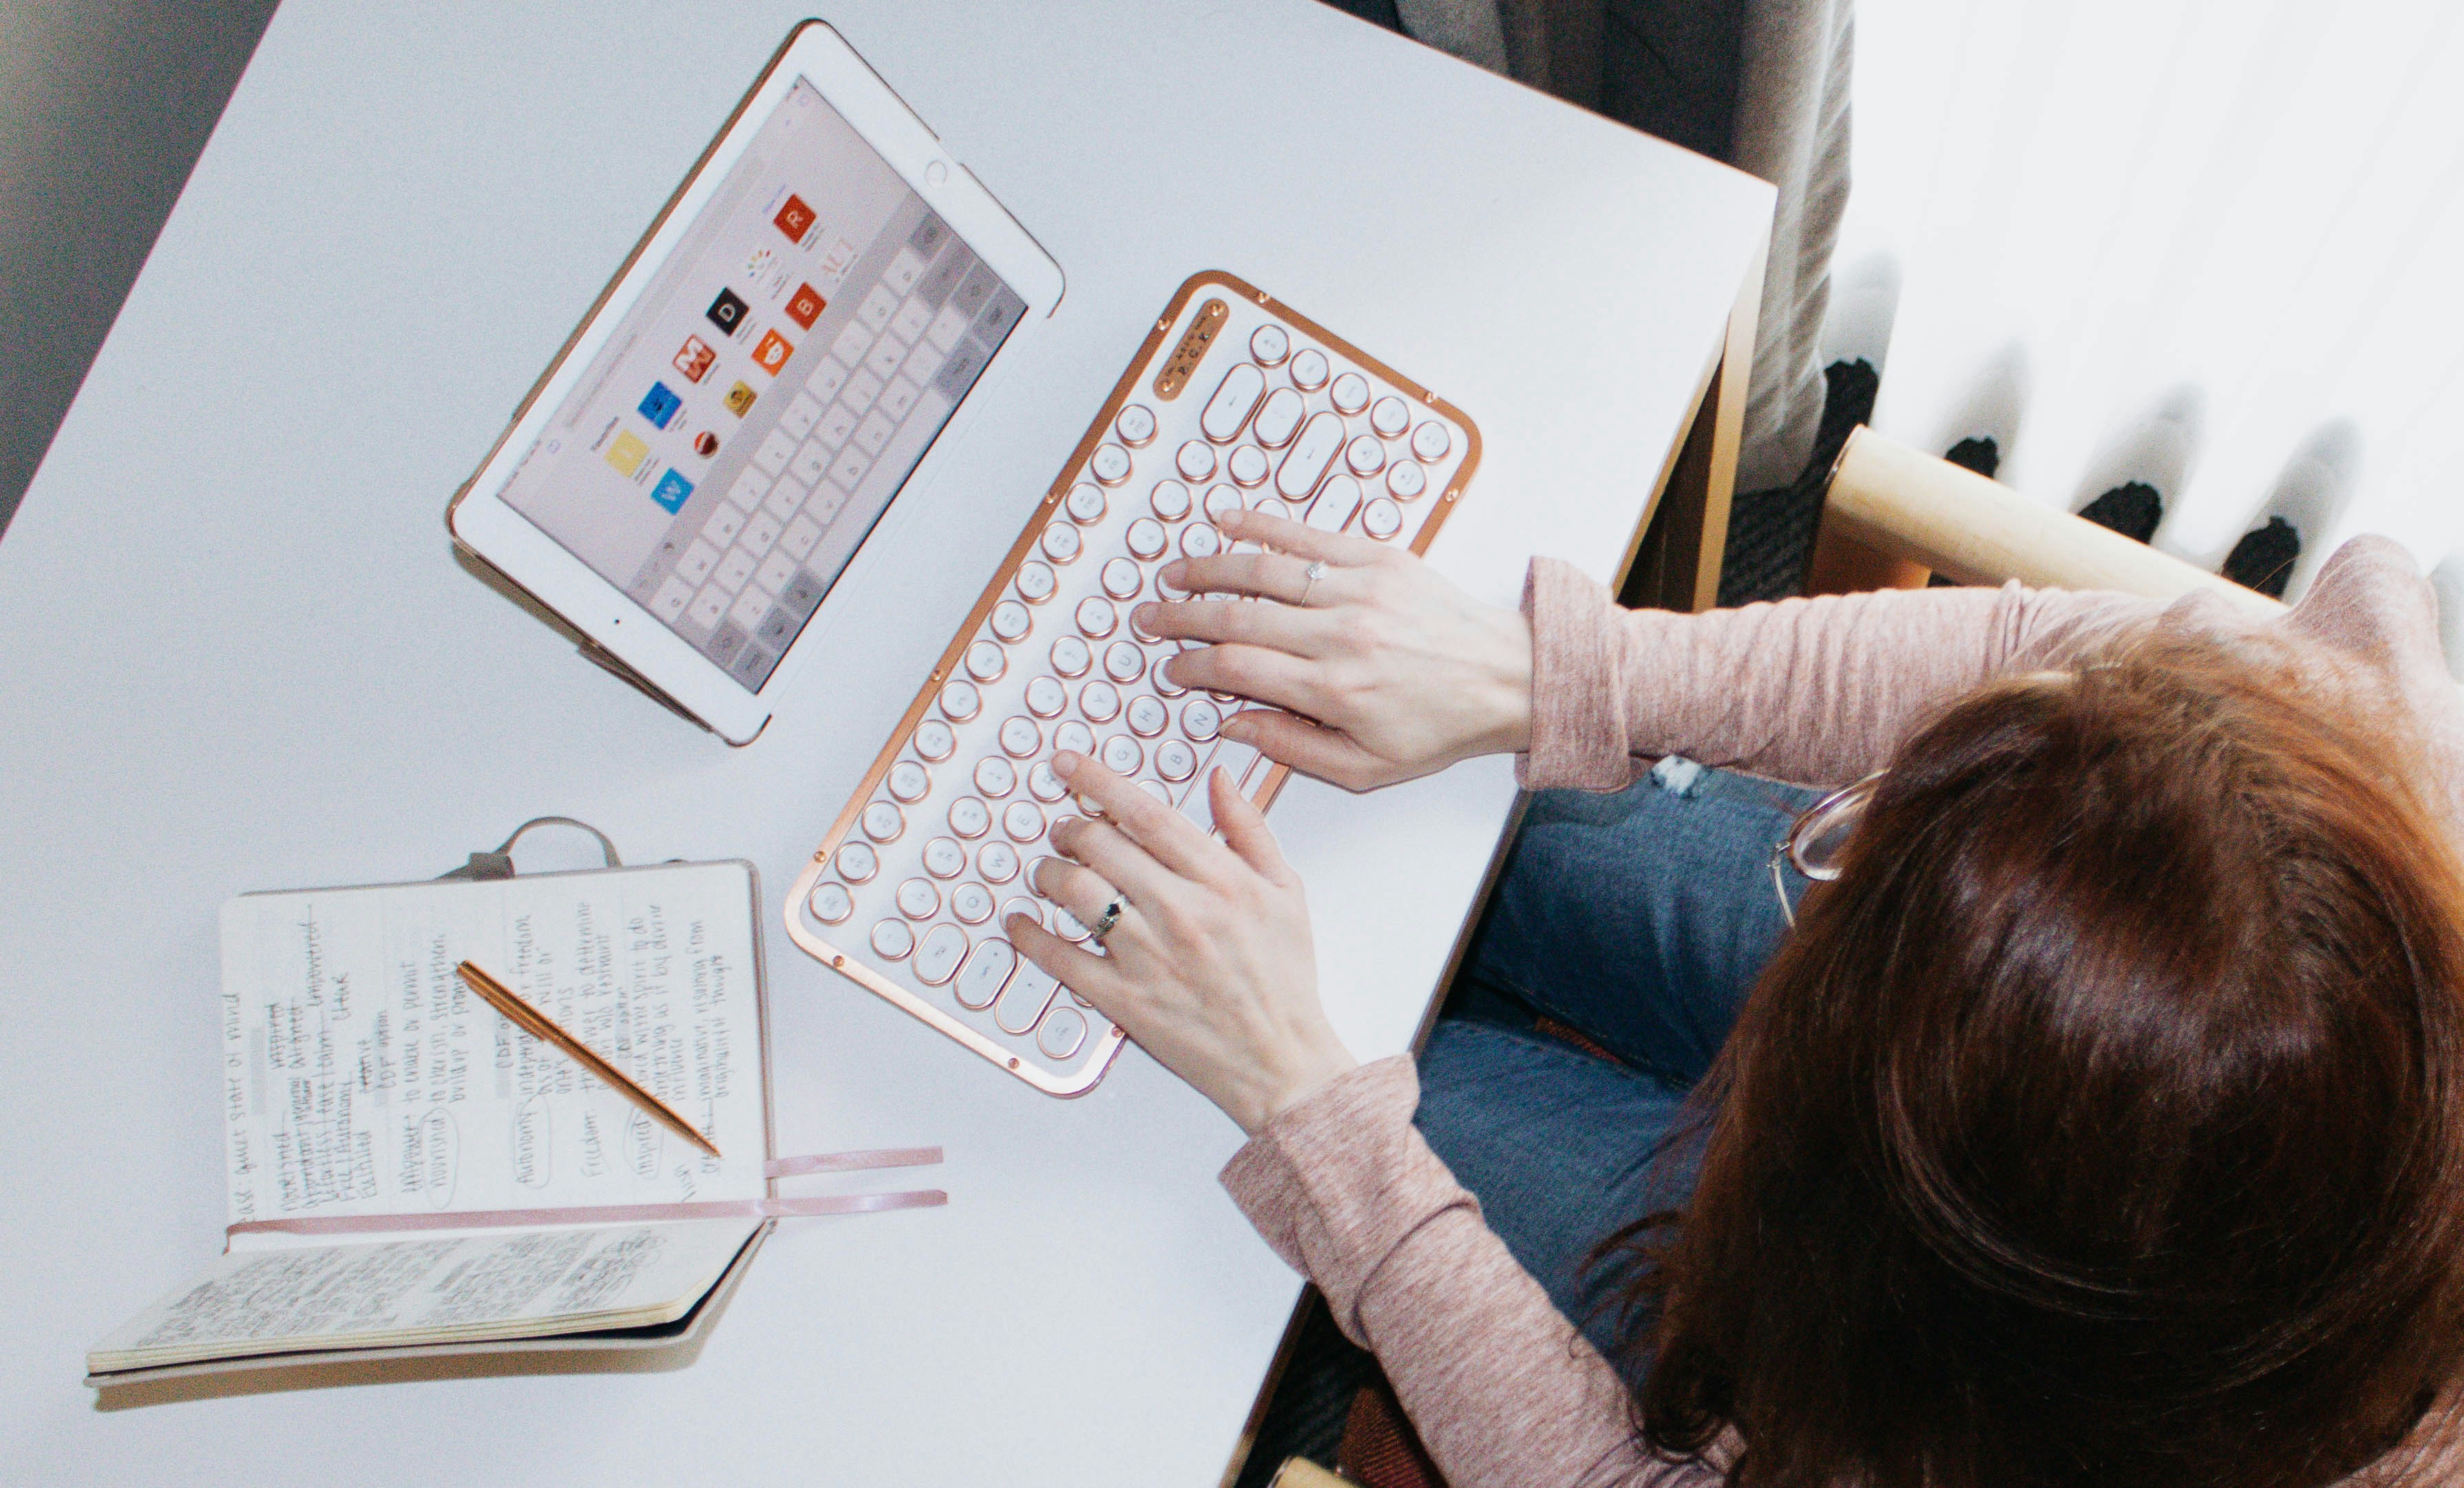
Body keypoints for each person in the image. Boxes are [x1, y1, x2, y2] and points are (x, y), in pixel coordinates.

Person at [1002, 507, 2464, 1488]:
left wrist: (1313, 1116)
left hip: (1912, 1347)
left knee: (1260, 1085)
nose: (1811, 851)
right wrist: (1557, 675)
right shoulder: (2362, 773)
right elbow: (2042, 661)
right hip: (2003, 1136)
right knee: (1464, 817)